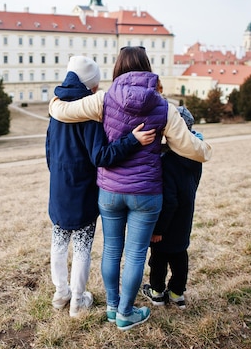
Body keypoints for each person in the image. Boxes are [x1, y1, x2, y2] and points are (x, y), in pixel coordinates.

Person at [49, 46, 212, 330]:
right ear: (148, 67)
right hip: (146, 194)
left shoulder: (103, 99)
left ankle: (113, 308)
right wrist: (205, 149)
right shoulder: (163, 106)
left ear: (117, 69)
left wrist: (52, 104)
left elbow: (63, 110)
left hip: (110, 192)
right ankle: (126, 312)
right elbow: (188, 147)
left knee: (112, 250)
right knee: (136, 255)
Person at [47, 56, 155, 317]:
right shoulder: (89, 114)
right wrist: (132, 141)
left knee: (59, 241)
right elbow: (101, 156)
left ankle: (61, 293)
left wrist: (58, 176)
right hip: (83, 190)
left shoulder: (56, 108)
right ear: (90, 85)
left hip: (59, 187)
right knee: (83, 246)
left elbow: (49, 150)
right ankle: (76, 301)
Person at [141, 105, 203, 310]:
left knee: (158, 259)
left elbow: (169, 201)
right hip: (185, 219)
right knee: (180, 257)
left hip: (166, 223)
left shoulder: (168, 162)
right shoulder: (195, 156)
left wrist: (158, 229)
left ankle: (157, 292)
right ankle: (177, 293)